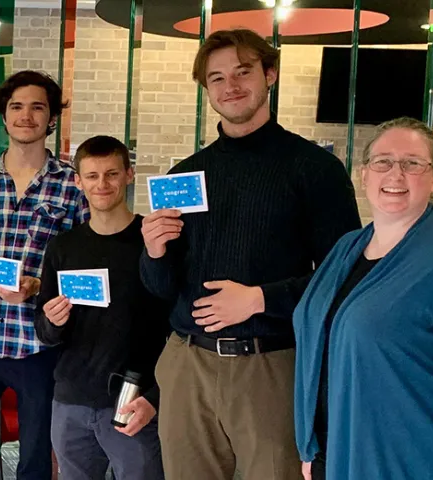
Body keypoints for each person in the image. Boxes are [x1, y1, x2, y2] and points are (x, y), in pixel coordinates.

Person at [139, 29, 361, 480]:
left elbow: (346, 276)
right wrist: (154, 252)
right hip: (187, 365)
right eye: (217, 78)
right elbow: (161, 289)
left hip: (271, 364)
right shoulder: (185, 174)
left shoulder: (315, 169)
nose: (231, 86)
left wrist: (261, 299)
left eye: (243, 72)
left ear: (270, 74)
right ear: (206, 89)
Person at [293, 118, 433, 480]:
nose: (395, 174)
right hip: (339, 456)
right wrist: (312, 447)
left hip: (410, 464)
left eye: (412, 163)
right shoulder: (346, 249)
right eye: (383, 162)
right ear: (364, 174)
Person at [0, 69, 88, 480]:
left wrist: (38, 286)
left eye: (37, 107)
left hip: (41, 340)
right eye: (16, 107)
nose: (26, 116)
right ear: (4, 116)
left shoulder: (73, 186)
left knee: (37, 454)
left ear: (51, 118)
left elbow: (85, 266)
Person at [33, 136, 170, 480]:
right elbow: (45, 332)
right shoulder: (63, 247)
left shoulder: (153, 242)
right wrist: (53, 321)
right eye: (92, 176)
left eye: (112, 174)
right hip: (71, 402)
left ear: (129, 174)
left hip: (134, 402)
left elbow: (177, 328)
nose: (102, 184)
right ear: (78, 181)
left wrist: (155, 397)